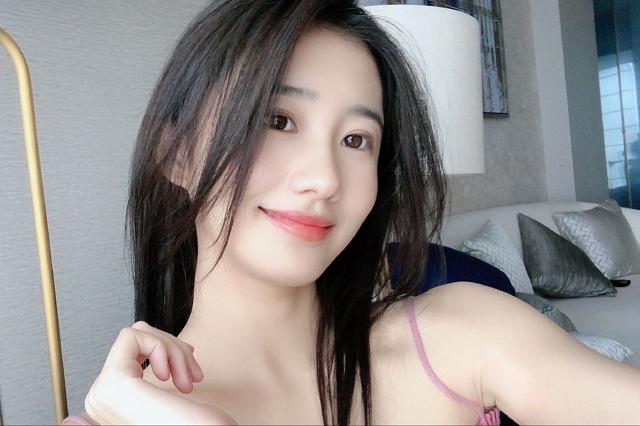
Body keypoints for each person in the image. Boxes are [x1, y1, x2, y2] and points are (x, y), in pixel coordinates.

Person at [62, 0, 640, 424]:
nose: (325, 178)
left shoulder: (464, 331)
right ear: (176, 155)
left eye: (356, 139)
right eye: (278, 120)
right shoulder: (125, 416)